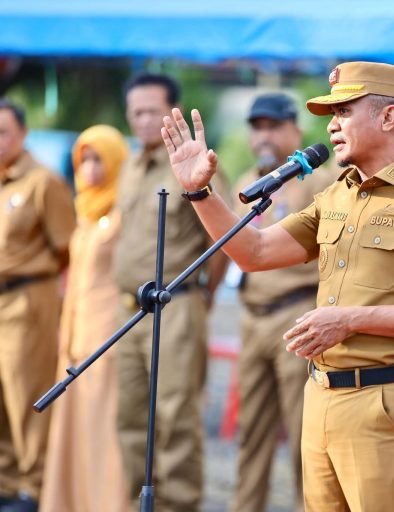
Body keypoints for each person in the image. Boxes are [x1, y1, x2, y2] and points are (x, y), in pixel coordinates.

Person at [159, 61, 394, 512]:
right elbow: (255, 252)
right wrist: (200, 193)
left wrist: (349, 320)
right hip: (323, 395)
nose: (331, 126)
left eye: (344, 112)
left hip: (383, 403)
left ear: (388, 117)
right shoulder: (335, 196)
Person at [112, 73, 229, 512]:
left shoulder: (191, 164)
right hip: (129, 312)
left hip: (175, 307)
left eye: (150, 111)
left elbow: (221, 241)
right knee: (129, 421)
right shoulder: (131, 164)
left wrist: (202, 296)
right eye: (134, 112)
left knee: (175, 420)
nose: (141, 121)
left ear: (172, 111)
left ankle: (178, 506)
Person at [230, 92, 334, 512]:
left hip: (297, 314)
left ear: (295, 129)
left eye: (274, 125)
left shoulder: (317, 182)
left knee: (304, 436)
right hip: (252, 316)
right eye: (257, 127)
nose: (264, 135)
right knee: (250, 434)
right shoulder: (245, 184)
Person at [40, 125, 130, 512]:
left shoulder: (125, 212)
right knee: (73, 430)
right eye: (84, 160)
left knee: (101, 432)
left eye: (98, 159)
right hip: (74, 336)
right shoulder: (84, 211)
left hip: (106, 337)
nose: (91, 169)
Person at [0, 99, 76, 512]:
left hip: (28, 300)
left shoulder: (43, 182)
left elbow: (67, 247)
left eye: (3, 132)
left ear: (22, 134)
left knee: (26, 393)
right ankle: (6, 481)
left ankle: (33, 486)